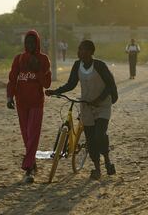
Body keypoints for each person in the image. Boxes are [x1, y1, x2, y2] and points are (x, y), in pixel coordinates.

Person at [45, 40, 118, 180]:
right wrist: (55, 91)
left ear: (91, 52)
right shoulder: (77, 65)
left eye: (83, 50)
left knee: (99, 135)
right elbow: (71, 84)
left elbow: (110, 85)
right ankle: (97, 169)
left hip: (102, 106)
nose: (79, 52)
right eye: (79, 49)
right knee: (91, 140)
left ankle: (107, 160)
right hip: (86, 106)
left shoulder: (99, 65)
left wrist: (99, 99)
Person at [6, 30, 52, 183]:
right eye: (27, 42)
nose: (30, 45)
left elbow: (47, 84)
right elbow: (12, 79)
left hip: (37, 103)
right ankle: (32, 161)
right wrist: (9, 97)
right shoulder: (19, 59)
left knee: (33, 133)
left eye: (33, 42)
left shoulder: (44, 59)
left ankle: (28, 168)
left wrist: (37, 69)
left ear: (37, 43)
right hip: (21, 102)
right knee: (26, 135)